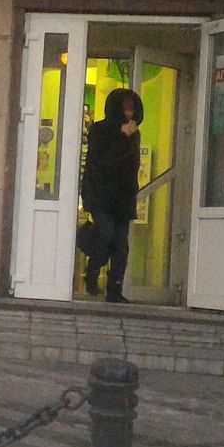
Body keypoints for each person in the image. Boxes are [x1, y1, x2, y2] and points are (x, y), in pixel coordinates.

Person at [81, 87, 144, 304]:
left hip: (123, 198)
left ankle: (115, 288)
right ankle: (93, 268)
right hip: (101, 194)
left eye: (131, 109)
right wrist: (123, 137)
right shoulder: (100, 130)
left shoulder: (134, 133)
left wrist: (129, 136)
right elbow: (106, 161)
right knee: (105, 235)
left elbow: (131, 165)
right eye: (125, 109)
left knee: (120, 244)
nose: (128, 114)